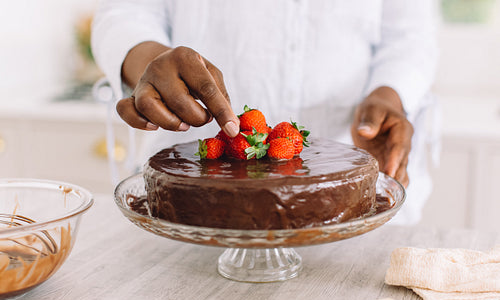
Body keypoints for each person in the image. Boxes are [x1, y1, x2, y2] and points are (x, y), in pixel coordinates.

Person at [91, 0, 438, 224]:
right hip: (188, 211)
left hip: (350, 207)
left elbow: (411, 36)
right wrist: (148, 61)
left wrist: (390, 94)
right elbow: (125, 11)